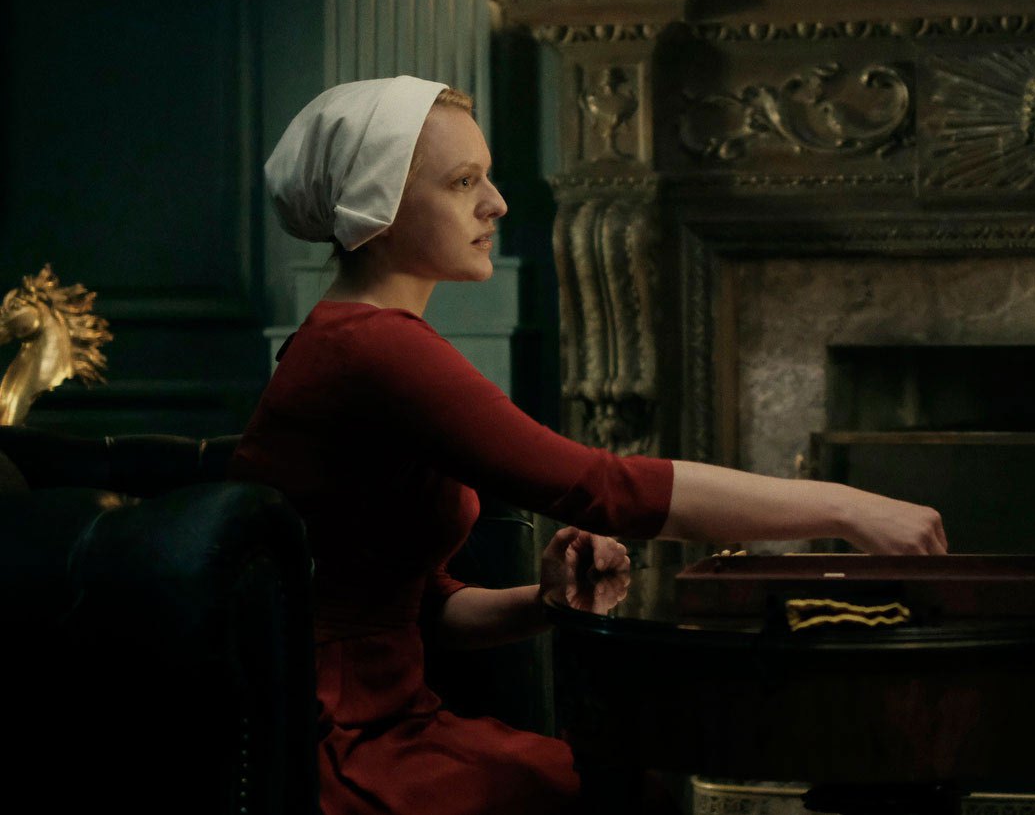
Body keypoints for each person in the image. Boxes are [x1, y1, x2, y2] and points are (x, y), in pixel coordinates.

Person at [231, 76, 946, 815]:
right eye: (463, 182)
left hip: (378, 721)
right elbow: (605, 489)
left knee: (630, 789)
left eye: (486, 177)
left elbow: (409, 612)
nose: (496, 203)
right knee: (630, 796)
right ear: (375, 204)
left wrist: (546, 602)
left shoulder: (355, 339)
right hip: (332, 746)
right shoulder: (372, 347)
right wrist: (848, 507)